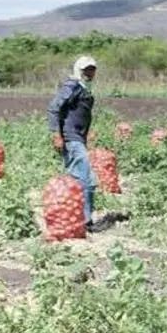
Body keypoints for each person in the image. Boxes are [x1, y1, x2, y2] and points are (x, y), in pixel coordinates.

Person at [47, 56, 110, 234]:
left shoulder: (84, 87)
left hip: (78, 138)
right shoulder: (72, 86)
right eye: (86, 70)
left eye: (92, 70)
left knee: (76, 179)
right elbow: (53, 108)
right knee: (87, 180)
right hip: (70, 138)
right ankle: (86, 221)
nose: (89, 73)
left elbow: (79, 114)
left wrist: (87, 133)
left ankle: (72, 220)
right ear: (78, 70)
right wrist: (56, 134)